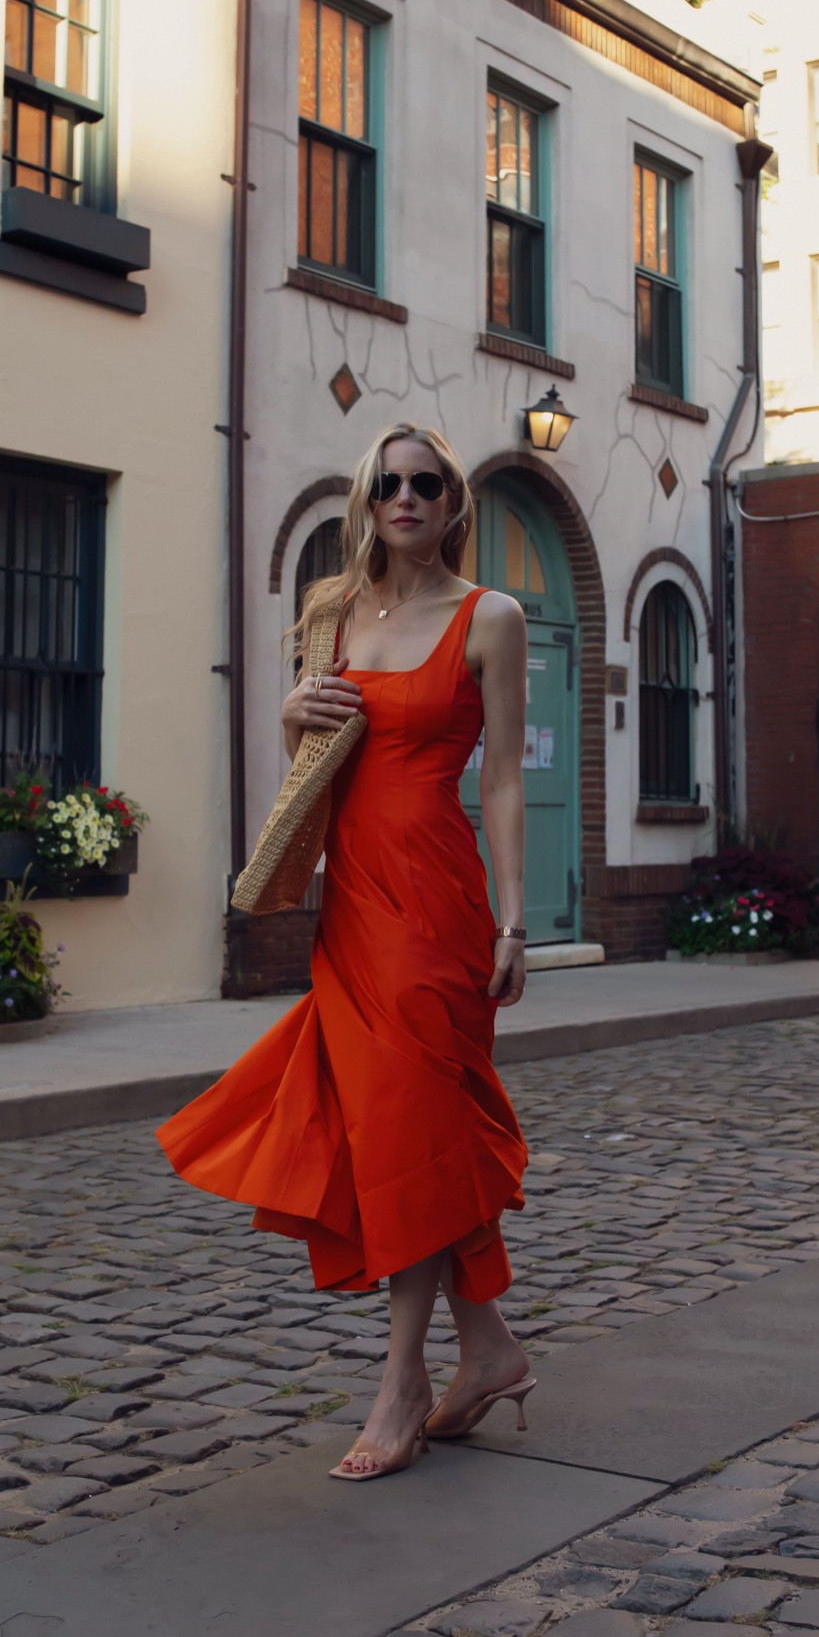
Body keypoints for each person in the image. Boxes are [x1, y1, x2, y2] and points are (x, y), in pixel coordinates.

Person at [157, 422, 534, 1482]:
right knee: (394, 1125)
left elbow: (501, 776)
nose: (405, 497)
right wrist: (288, 713)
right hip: (352, 904)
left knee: (407, 1127)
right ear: (365, 501)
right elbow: (316, 761)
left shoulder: (489, 615)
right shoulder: (329, 614)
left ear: (452, 502)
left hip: (436, 904)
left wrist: (514, 920)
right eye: (387, 483)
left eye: (425, 483)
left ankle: (402, 1381)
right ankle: (491, 1348)